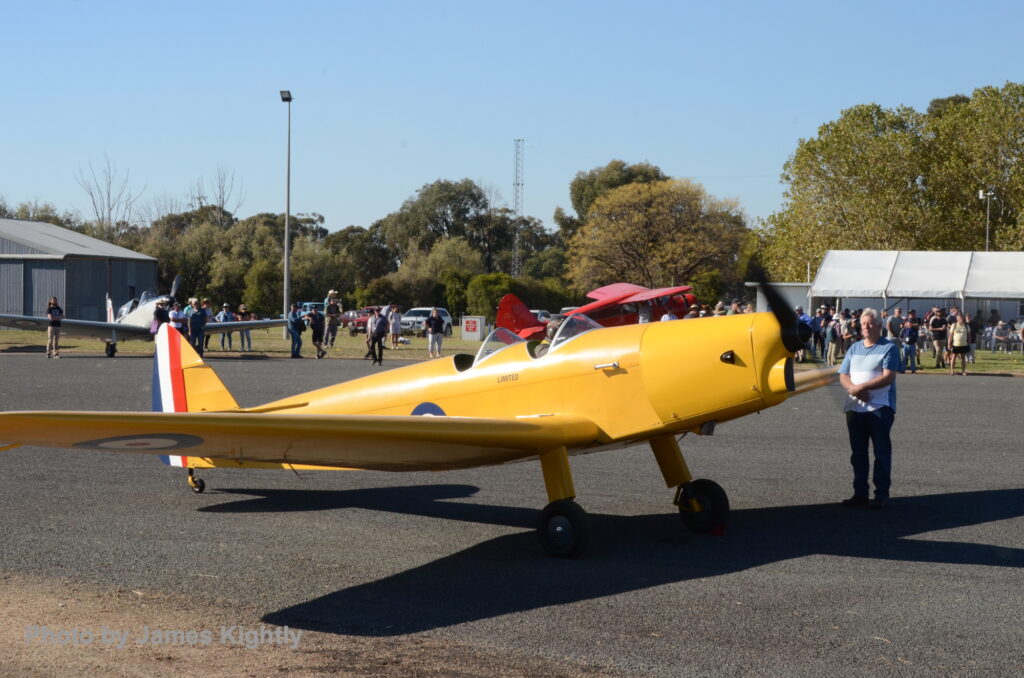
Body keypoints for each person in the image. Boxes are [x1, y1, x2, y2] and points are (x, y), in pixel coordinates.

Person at [838, 308, 900, 509]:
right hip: (855, 408)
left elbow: (888, 376)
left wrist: (861, 387)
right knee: (858, 454)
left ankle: (881, 495)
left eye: (870, 323)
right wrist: (853, 390)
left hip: (880, 408)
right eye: (863, 324)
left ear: (879, 326)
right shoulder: (854, 348)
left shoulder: (889, 348)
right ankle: (860, 494)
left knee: (881, 453)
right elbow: (843, 375)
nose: (865, 327)